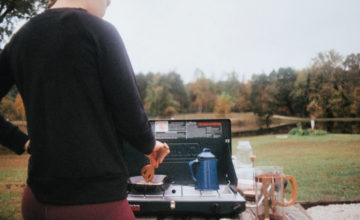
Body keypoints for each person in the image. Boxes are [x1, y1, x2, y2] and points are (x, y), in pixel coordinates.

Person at [0, 0, 166, 219]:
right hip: (96, 204)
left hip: (37, 202)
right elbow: (130, 114)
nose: (108, 4)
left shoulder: (23, 36)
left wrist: (21, 141)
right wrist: (149, 144)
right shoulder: (100, 31)